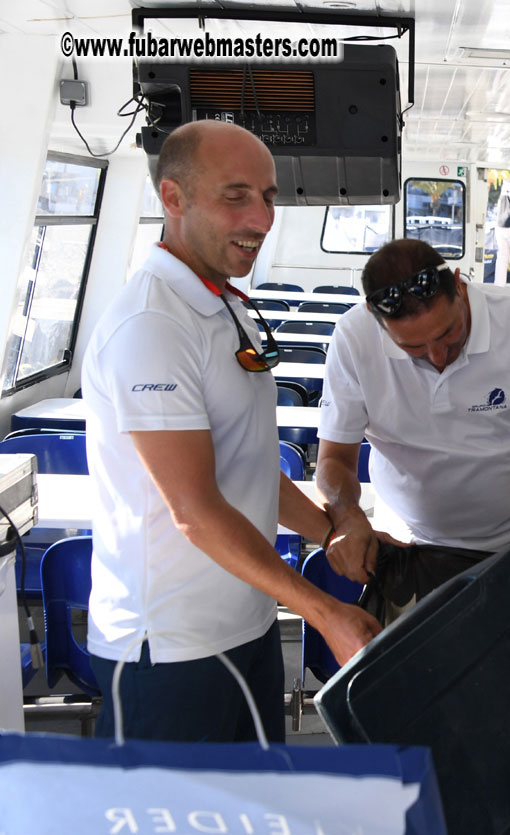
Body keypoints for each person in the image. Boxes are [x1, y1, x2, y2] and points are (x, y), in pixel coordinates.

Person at [82, 120, 382, 744]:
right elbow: (193, 508)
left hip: (243, 622)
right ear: (173, 198)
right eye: (236, 196)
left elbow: (245, 468)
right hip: (170, 648)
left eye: (269, 197)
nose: (262, 219)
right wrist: (324, 612)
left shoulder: (223, 305)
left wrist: (333, 533)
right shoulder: (152, 324)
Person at [314, 237, 510, 586]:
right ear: (377, 323)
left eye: (449, 334)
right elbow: (335, 460)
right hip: (408, 547)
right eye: (413, 347)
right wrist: (347, 514)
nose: (437, 357)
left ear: (460, 286)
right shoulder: (353, 337)